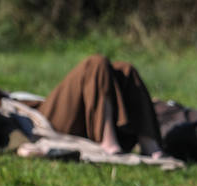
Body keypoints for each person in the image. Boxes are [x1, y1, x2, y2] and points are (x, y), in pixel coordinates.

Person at [14, 55, 166, 159]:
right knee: (95, 63)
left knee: (126, 69)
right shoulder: (0, 100)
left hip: (70, 115)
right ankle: (107, 141)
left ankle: (148, 142)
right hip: (43, 119)